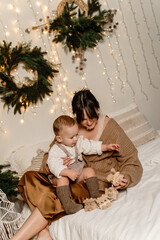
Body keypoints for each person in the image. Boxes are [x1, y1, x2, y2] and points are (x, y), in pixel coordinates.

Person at [11, 89, 143, 240]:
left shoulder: (110, 126)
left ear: (97, 108)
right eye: (83, 119)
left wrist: (125, 177)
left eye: (91, 116)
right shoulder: (71, 128)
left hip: (90, 182)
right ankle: (44, 231)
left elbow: (131, 159)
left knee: (53, 197)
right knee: (28, 179)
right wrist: (57, 168)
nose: (88, 123)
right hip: (67, 176)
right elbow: (51, 156)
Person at [47, 115, 120, 215]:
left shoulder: (78, 142)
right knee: (62, 179)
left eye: (76, 135)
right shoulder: (55, 150)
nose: (75, 138)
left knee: (89, 170)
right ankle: (68, 206)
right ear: (59, 138)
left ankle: (95, 195)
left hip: (77, 174)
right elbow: (53, 165)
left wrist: (106, 147)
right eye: (72, 137)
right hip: (64, 175)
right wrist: (67, 172)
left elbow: (90, 146)